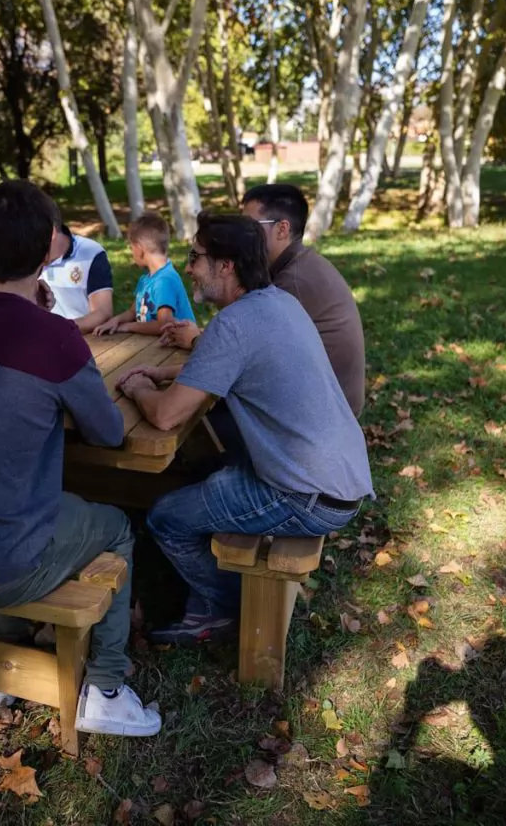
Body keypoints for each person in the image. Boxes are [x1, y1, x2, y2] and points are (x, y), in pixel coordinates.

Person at [0, 180, 162, 737]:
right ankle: (108, 688)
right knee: (116, 526)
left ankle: (5, 659)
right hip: (3, 566)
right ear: (48, 250)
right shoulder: (53, 337)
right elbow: (110, 433)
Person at [117, 214, 373, 644]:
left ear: (226, 265)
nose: (189, 268)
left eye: (196, 257)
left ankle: (233, 606)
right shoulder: (276, 301)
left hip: (306, 496)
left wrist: (140, 387)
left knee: (165, 517)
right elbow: (240, 363)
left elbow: (164, 417)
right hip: (338, 479)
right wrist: (170, 375)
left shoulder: (232, 324)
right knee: (203, 469)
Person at [162, 184, 366, 416]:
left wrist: (196, 341)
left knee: (195, 412)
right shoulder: (297, 265)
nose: (243, 232)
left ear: (282, 230)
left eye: (251, 226)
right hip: (322, 401)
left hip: (324, 411)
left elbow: (236, 356)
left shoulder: (290, 284)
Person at [94, 212, 196, 336]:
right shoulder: (147, 279)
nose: (131, 252)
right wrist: (116, 320)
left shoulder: (164, 281)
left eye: (131, 248)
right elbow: (133, 312)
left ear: (139, 248)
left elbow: (164, 325)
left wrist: (129, 327)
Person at [41, 201, 114, 333]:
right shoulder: (23, 255)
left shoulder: (91, 253)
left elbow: (102, 312)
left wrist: (60, 329)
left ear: (51, 232)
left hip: (82, 341)